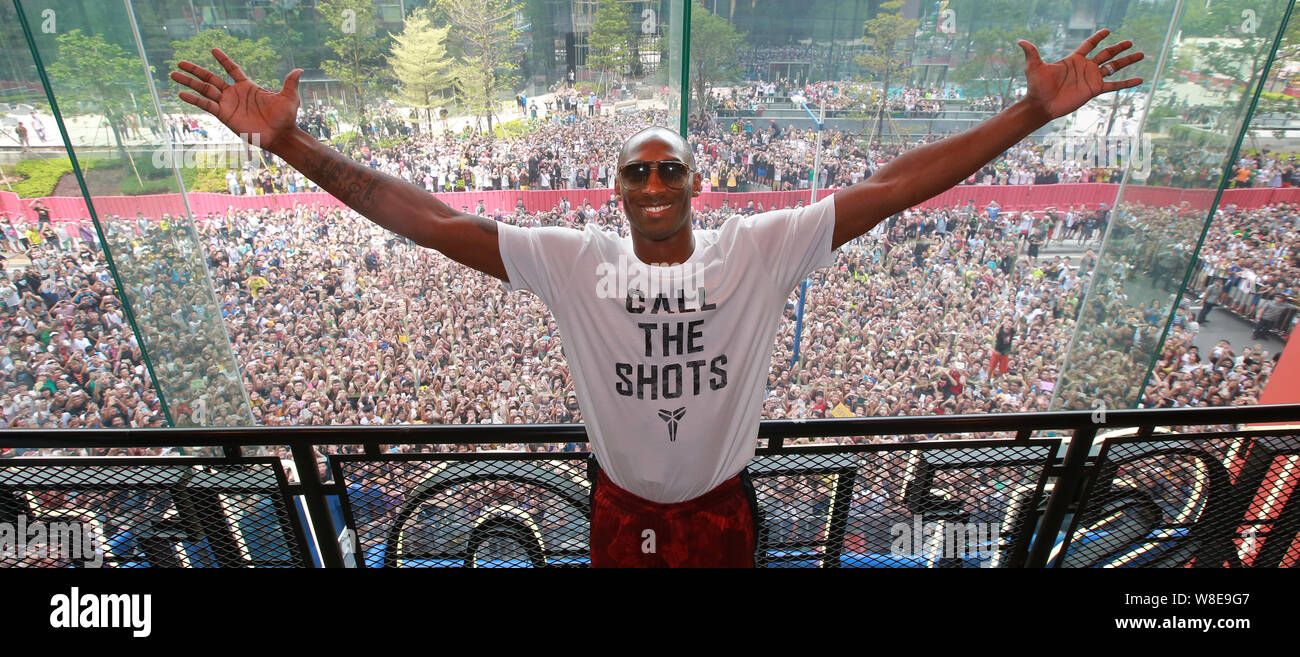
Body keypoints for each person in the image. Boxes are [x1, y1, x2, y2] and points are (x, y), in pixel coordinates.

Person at [171, 30, 1143, 567]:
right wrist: (288, 144)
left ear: (693, 184)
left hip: (723, 511)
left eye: (666, 170)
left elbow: (895, 186)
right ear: (614, 193)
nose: (650, 186)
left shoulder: (760, 251)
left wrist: (1028, 113)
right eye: (634, 174)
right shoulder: (569, 262)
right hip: (616, 510)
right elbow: (419, 215)